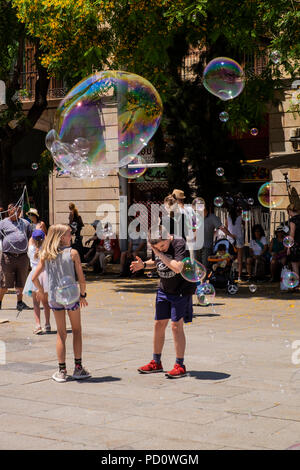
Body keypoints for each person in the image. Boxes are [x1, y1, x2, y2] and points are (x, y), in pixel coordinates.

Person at [130, 225, 195, 379]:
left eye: (163, 245)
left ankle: (180, 365)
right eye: (158, 247)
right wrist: (144, 265)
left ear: (168, 238)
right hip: (164, 289)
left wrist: (159, 252)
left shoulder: (179, 243)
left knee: (175, 326)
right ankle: (156, 362)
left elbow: (178, 267)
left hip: (180, 291)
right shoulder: (159, 248)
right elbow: (157, 261)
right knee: (158, 324)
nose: (162, 249)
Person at [32, 224, 90, 383]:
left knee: (61, 333)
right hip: (71, 296)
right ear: (60, 237)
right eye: (68, 233)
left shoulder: (46, 254)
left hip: (53, 297)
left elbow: (33, 277)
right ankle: (78, 368)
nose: (71, 235)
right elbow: (81, 278)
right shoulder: (73, 253)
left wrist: (40, 290)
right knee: (77, 330)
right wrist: (83, 295)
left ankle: (61, 370)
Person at [0, 203, 32, 312]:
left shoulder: (26, 223)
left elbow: (30, 237)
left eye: (18, 211)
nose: (16, 213)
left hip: (23, 257)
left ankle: (19, 302)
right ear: (8, 211)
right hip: (7, 256)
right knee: (4, 281)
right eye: (13, 210)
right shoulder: (2, 223)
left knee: (21, 280)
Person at [193, 198, 236, 269]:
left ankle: (204, 280)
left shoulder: (212, 217)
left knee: (205, 268)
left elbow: (222, 227)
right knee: (196, 267)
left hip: (206, 247)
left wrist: (230, 235)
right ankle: (199, 280)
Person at [23, 229, 51, 334]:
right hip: (45, 275)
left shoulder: (31, 248)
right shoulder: (47, 249)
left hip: (35, 275)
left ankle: (38, 325)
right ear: (44, 239)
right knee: (46, 303)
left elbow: (31, 240)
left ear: (33, 239)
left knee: (36, 303)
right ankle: (47, 324)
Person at [225, 206, 244, 282]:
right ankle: (239, 276)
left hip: (230, 239)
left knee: (229, 258)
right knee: (240, 259)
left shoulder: (228, 218)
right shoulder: (240, 217)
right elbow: (243, 223)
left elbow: (226, 227)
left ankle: (229, 275)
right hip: (239, 238)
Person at [287, 203, 300, 278]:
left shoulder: (293, 220)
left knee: (295, 265)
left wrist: (289, 247)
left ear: (289, 211)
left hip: (296, 246)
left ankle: (296, 284)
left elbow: (292, 234)